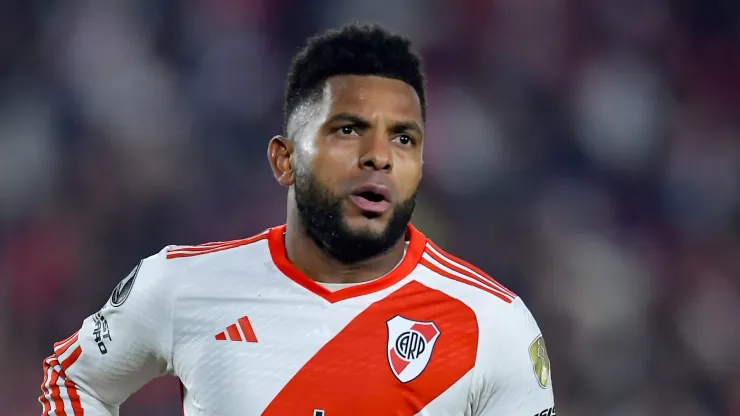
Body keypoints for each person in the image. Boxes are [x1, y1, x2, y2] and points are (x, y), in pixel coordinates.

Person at [39, 23, 556, 416]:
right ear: (285, 159)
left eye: (404, 138)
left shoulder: (494, 325)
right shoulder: (180, 284)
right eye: (349, 130)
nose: (379, 156)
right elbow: (73, 381)